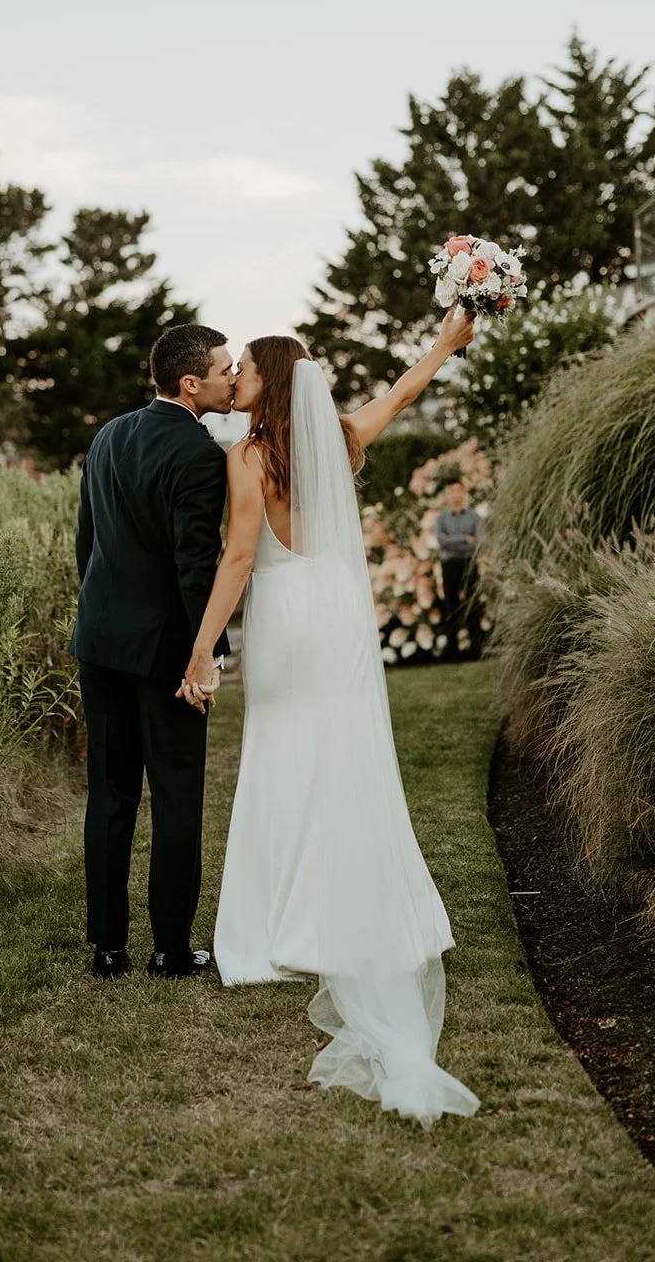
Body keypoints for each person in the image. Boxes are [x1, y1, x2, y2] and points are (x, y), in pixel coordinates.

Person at [180, 309, 480, 1125]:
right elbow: (405, 390)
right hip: (340, 612)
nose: (232, 375)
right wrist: (447, 341)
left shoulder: (248, 457)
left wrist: (203, 650)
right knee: (345, 755)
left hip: (285, 615)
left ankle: (281, 923)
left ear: (266, 383)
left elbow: (240, 557)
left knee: (284, 754)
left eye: (242, 367)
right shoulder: (340, 436)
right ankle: (369, 907)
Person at [70, 323, 236, 981]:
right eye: (225, 369)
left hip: (100, 641)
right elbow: (196, 565)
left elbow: (87, 543)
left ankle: (107, 948)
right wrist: (209, 652)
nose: (232, 378)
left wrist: (97, 617)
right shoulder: (198, 455)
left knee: (109, 797)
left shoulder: (108, 435)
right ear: (190, 382)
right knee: (174, 797)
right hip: (165, 653)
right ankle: (170, 949)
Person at [435, 479, 484, 662]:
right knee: (451, 606)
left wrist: (452, 540)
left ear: (463, 493)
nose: (455, 494)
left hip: (469, 564)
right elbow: (441, 542)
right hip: (449, 565)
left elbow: (478, 542)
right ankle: (453, 653)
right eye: (452, 491)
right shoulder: (441, 519)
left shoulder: (474, 517)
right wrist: (465, 539)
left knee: (473, 605)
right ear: (447, 495)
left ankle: (476, 650)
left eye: (458, 490)